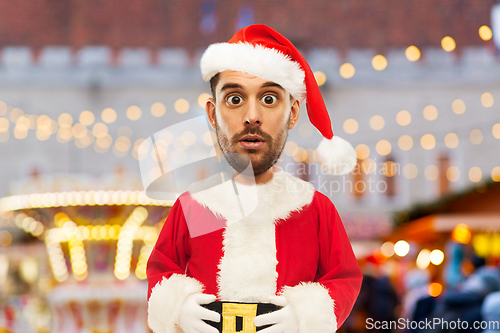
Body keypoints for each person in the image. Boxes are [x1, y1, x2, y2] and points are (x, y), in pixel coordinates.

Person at [146, 24, 362, 333]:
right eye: (234, 99)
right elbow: (161, 270)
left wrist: (306, 316)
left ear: (293, 112)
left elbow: (344, 279)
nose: (252, 116)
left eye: (270, 99)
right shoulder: (193, 207)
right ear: (212, 114)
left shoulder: (315, 209)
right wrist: (177, 308)